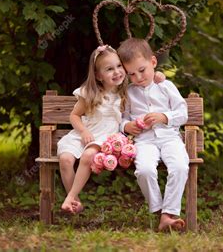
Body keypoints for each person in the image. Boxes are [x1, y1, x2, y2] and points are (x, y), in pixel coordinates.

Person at [57, 45, 165, 214]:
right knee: (65, 159)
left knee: (88, 155)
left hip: (105, 137)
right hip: (85, 133)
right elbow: (74, 116)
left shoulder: (127, 91)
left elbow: (149, 80)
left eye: (119, 66)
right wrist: (84, 132)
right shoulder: (90, 93)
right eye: (109, 69)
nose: (116, 72)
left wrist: (158, 75)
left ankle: (70, 198)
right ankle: (74, 200)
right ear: (99, 76)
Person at [118, 38, 189, 231]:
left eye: (142, 70)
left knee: (180, 166)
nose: (138, 77)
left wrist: (164, 116)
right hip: (144, 141)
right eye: (131, 74)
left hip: (169, 138)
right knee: (145, 170)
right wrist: (127, 126)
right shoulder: (128, 92)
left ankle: (169, 214)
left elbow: (183, 113)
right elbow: (121, 119)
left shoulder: (166, 86)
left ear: (153, 62)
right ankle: (160, 212)